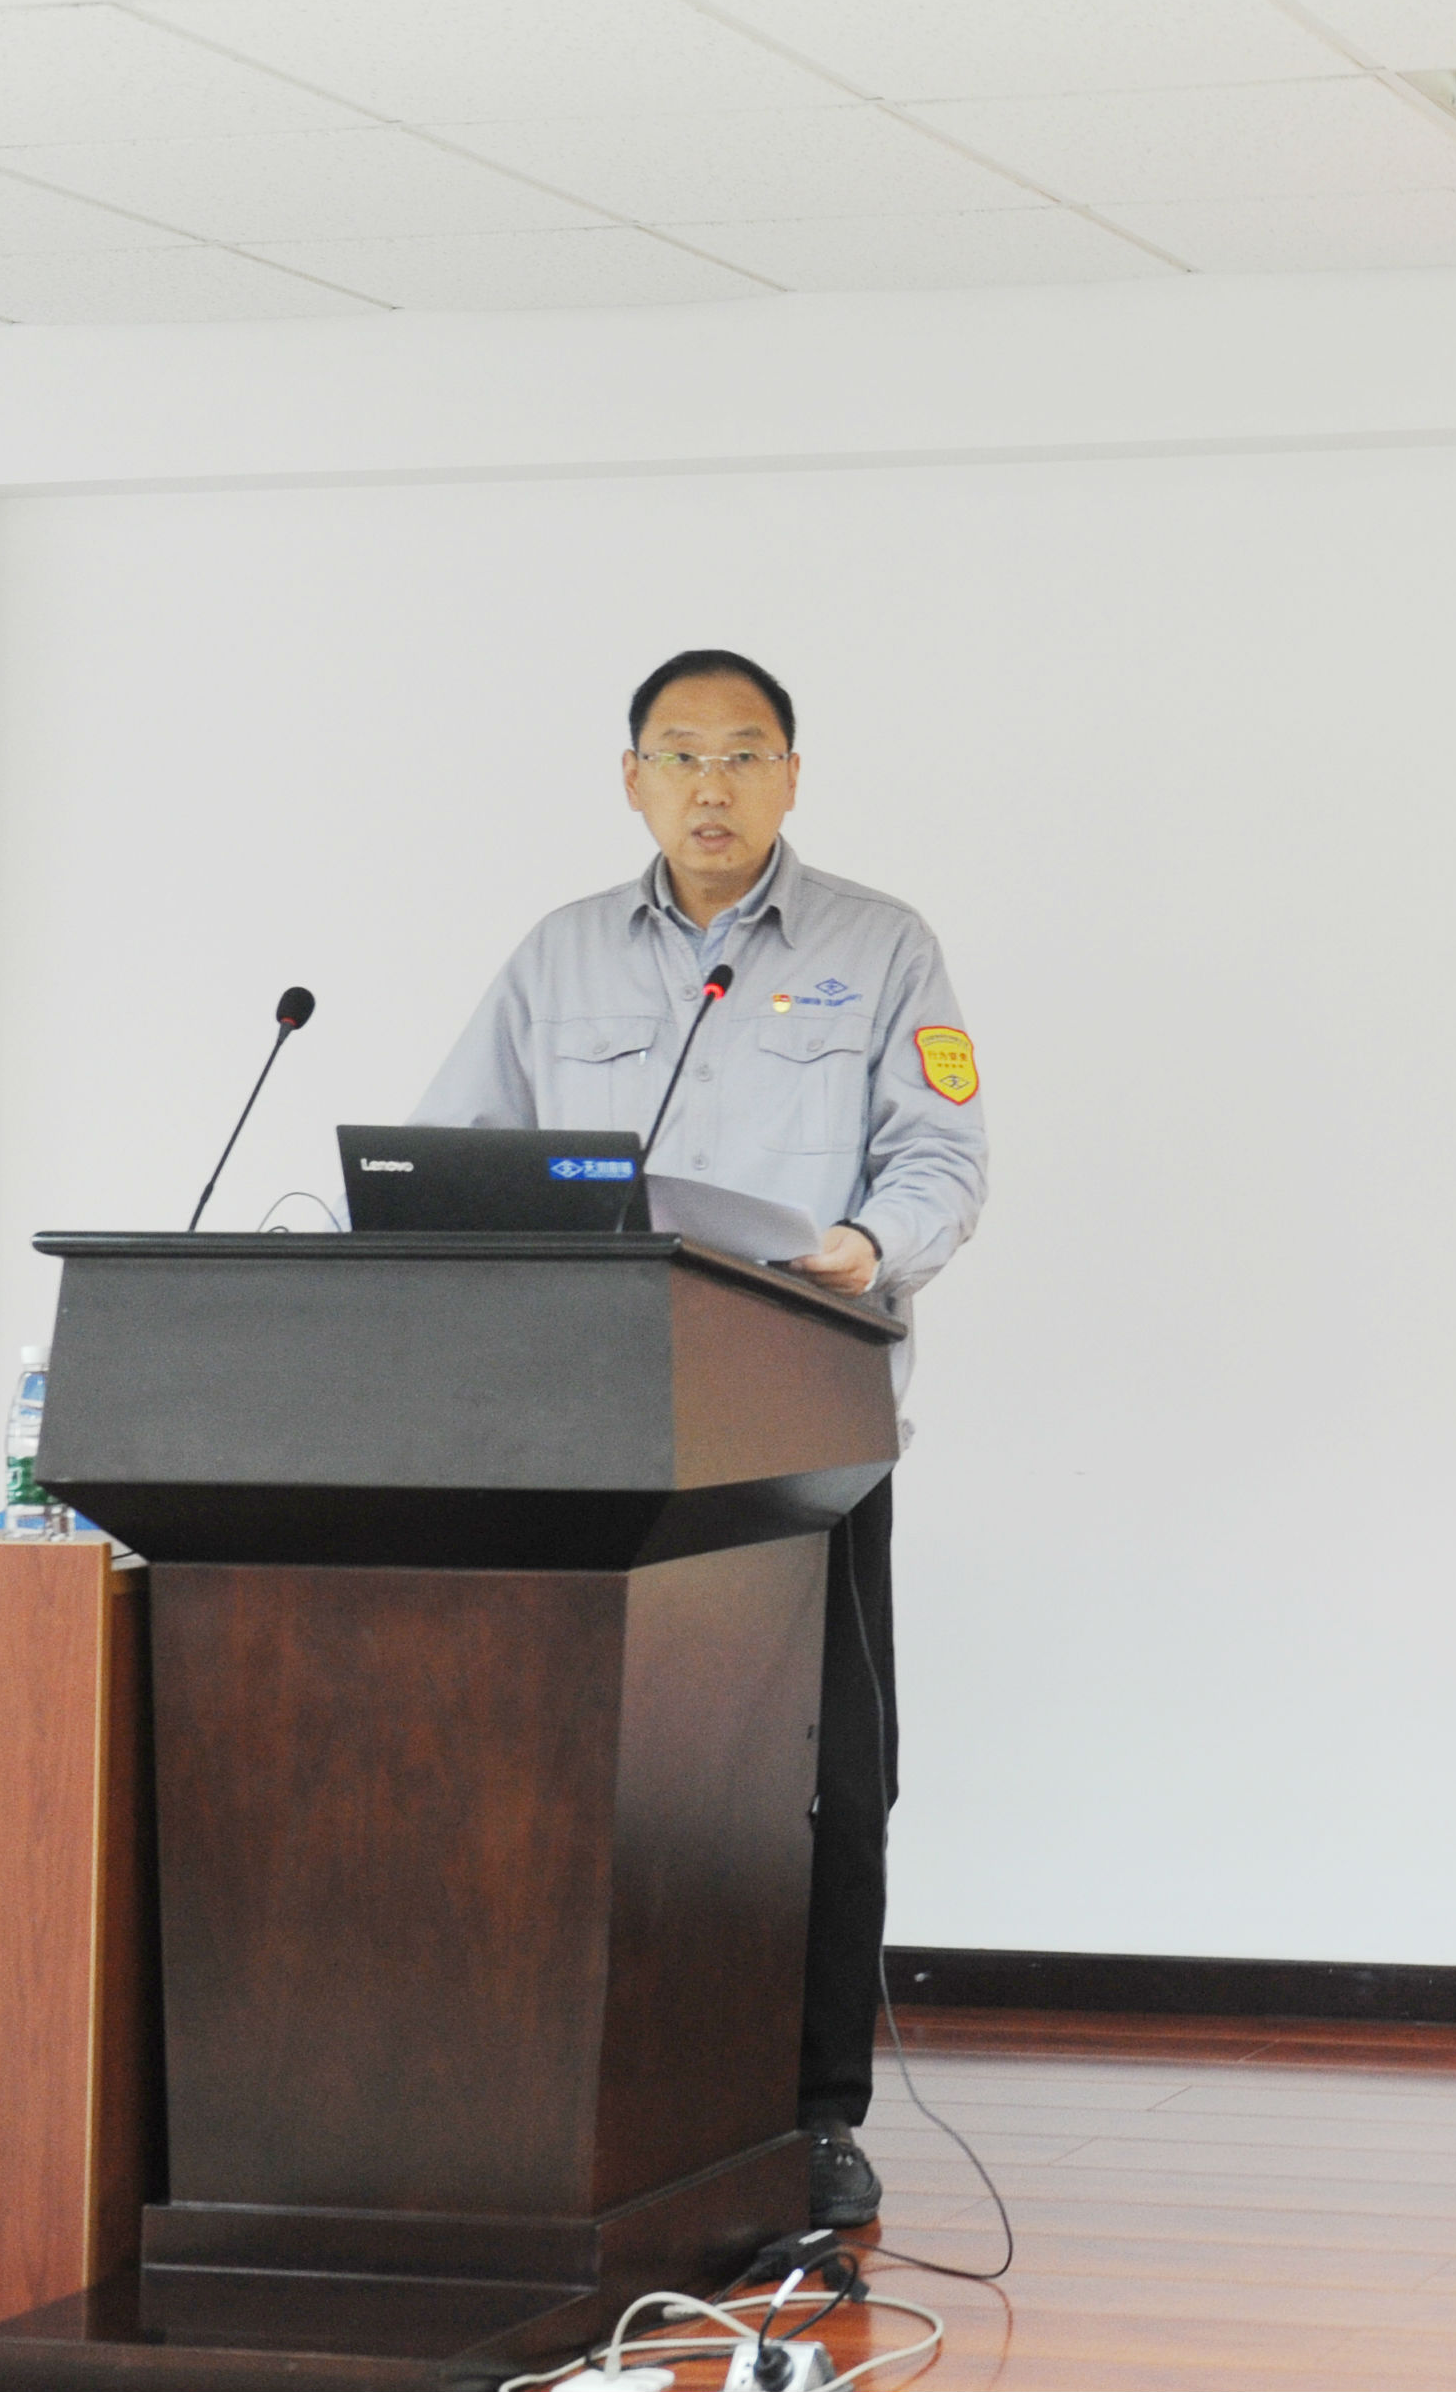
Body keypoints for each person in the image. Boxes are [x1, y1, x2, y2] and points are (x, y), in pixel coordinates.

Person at [414, 647, 986, 2231]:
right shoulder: (559, 958)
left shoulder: (881, 946)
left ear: (792, 777)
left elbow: (944, 1160)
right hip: (596, 1437)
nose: (712, 785)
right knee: (604, 1774)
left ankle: (815, 2116)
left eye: (744, 754)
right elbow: (452, 1159)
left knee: (830, 1782)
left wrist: (866, 1246)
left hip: (807, 1430)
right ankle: (594, 2105)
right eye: (679, 755)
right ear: (632, 781)